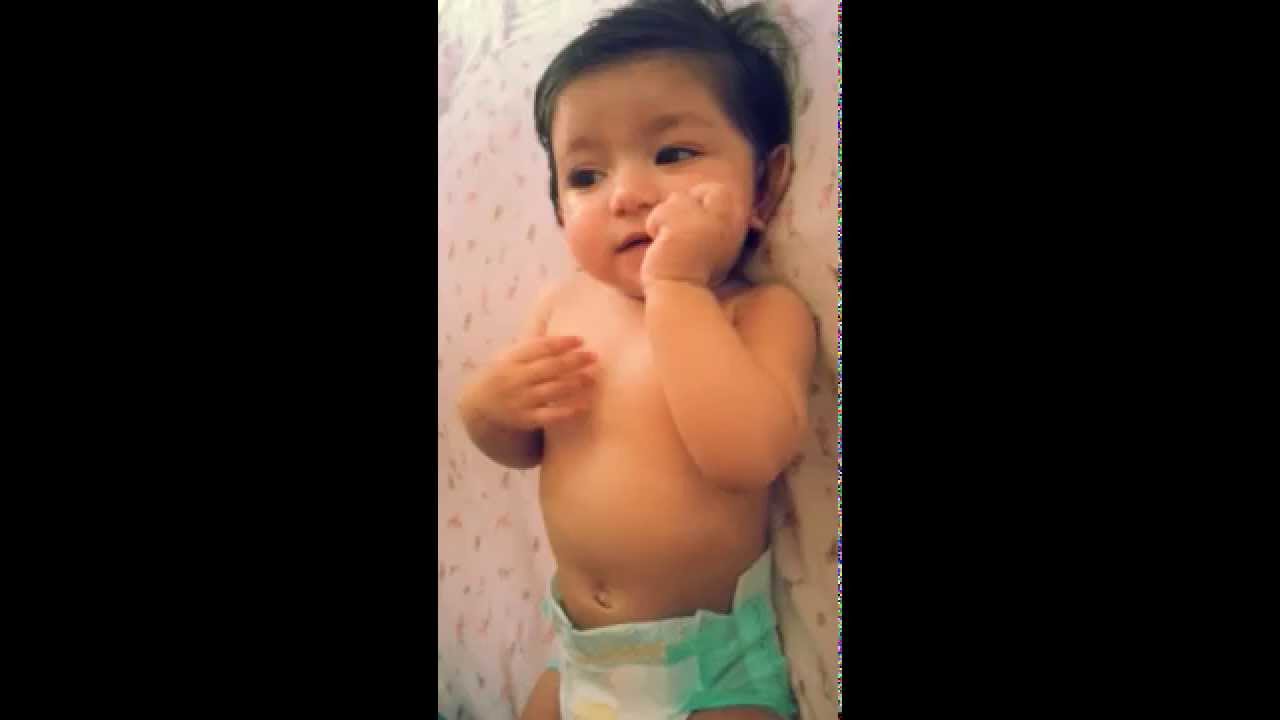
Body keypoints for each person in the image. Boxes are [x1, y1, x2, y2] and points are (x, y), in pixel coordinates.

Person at [458, 1, 816, 717]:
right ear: (559, 211)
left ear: (765, 186)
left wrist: (678, 287)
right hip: (576, 657)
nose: (625, 194)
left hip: (710, 671)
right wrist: (486, 414)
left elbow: (747, 456)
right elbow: (527, 447)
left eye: (673, 154)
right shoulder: (562, 307)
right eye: (585, 176)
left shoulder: (758, 313)